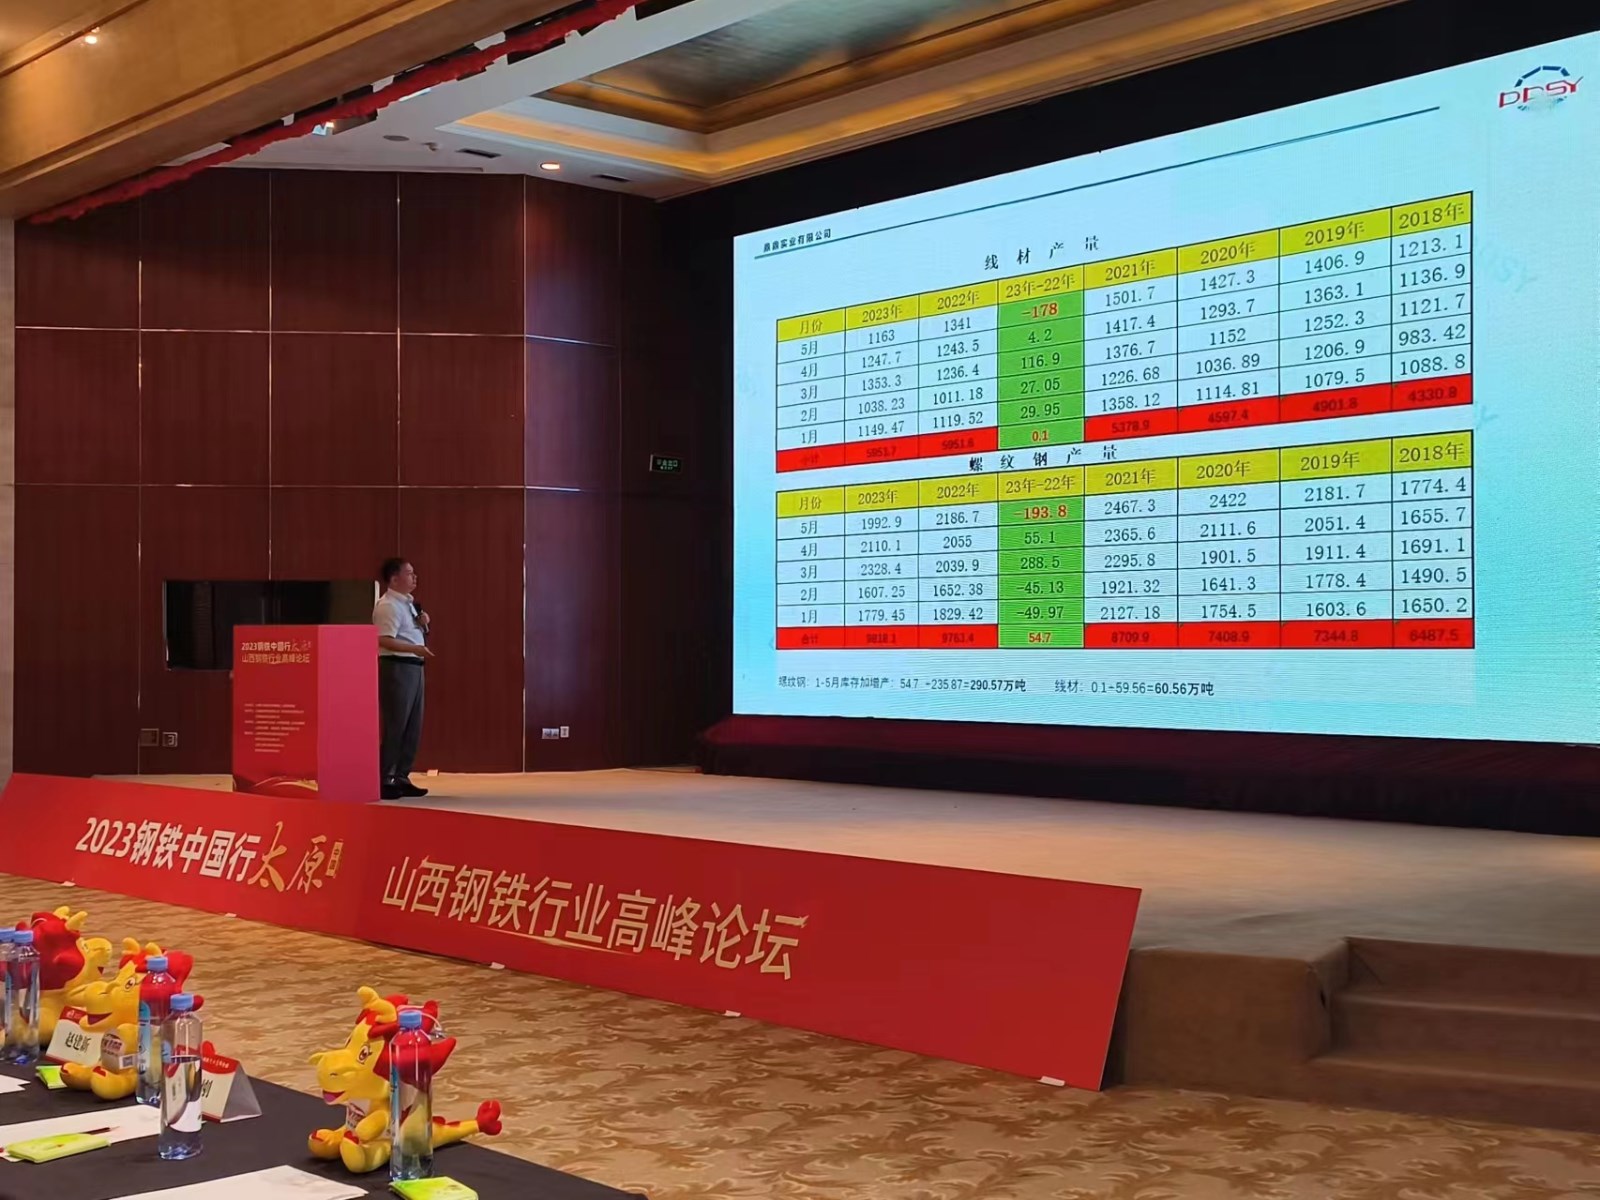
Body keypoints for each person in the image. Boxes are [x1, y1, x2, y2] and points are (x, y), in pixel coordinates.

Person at [374, 558, 433, 800]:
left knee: (412, 726)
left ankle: (401, 776)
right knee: (397, 724)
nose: (414, 577)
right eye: (409, 573)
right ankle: (384, 777)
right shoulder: (388, 606)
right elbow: (382, 639)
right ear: (394, 578)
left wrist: (424, 625)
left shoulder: (407, 604)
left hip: (414, 666)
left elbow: (409, 634)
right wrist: (414, 649)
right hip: (397, 667)